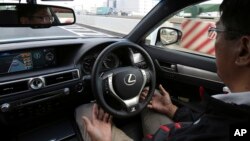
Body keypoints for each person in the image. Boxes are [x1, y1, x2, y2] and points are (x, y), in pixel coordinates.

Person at [75, 0, 250, 140]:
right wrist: (173, 110)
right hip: (179, 130)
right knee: (151, 95)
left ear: (243, 50)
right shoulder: (234, 115)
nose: (214, 42)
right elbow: (207, 124)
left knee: (86, 112)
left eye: (217, 31)